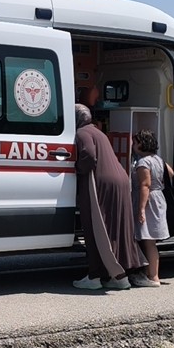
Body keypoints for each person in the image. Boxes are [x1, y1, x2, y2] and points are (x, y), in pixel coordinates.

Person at [73, 103, 147, 290]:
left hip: (101, 183)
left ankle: (95, 276)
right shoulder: (98, 132)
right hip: (120, 181)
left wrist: (77, 169)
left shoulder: (82, 133)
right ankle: (119, 277)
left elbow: (89, 156)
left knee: (97, 228)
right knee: (118, 230)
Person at [130, 129, 169, 288]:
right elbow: (170, 172)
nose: (133, 145)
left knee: (148, 240)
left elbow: (145, 185)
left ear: (141, 144)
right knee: (149, 240)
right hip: (159, 197)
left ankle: (153, 276)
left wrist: (141, 209)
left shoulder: (143, 163)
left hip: (149, 200)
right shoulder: (158, 160)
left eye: (135, 142)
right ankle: (149, 273)